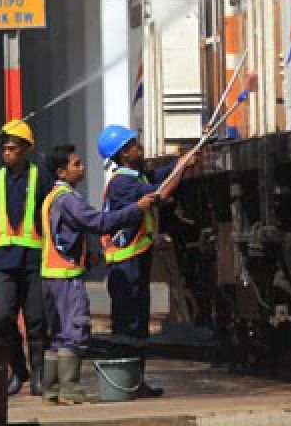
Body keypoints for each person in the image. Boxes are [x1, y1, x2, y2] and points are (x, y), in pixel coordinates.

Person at [40, 144, 155, 405]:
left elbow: (62, 236)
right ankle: (69, 389)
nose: (81, 168)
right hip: (66, 276)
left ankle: (51, 390)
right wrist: (136, 208)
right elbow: (99, 222)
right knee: (75, 329)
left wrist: (85, 255)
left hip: (51, 274)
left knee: (58, 334)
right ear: (62, 171)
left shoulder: (52, 197)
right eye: (76, 164)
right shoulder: (67, 198)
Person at [97, 124, 196, 397]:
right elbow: (159, 193)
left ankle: (135, 382)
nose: (139, 148)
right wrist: (181, 168)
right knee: (128, 324)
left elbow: (159, 176)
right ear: (122, 154)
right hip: (125, 262)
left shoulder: (135, 176)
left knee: (138, 324)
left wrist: (184, 160)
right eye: (132, 146)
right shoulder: (122, 183)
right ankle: (123, 383)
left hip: (135, 260)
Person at [0, 119, 53, 396]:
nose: (7, 152)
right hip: (3, 260)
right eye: (5, 148)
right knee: (1, 317)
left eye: (13, 148)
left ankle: (39, 378)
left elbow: (53, 212)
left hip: (33, 258)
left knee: (36, 320)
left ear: (25, 148)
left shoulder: (41, 177)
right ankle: (19, 371)